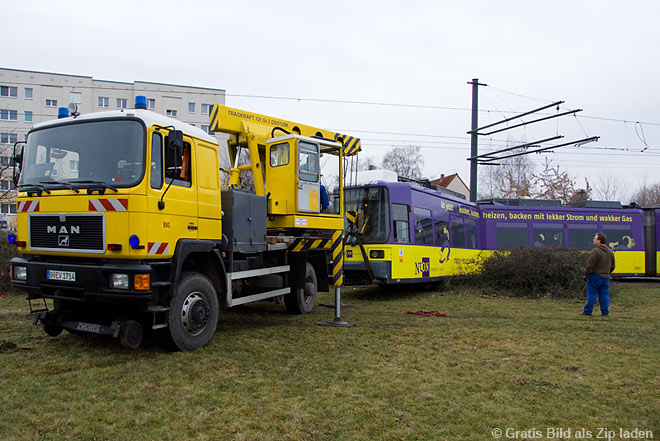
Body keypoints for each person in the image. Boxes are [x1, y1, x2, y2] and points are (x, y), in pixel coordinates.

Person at [581, 232, 615, 316]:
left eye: (595, 239)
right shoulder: (610, 252)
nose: (593, 240)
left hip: (595, 276)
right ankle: (605, 312)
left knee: (592, 294)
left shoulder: (595, 251)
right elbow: (613, 266)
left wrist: (586, 274)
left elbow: (590, 265)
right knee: (604, 295)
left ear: (599, 241)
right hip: (606, 277)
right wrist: (607, 272)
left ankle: (588, 311)